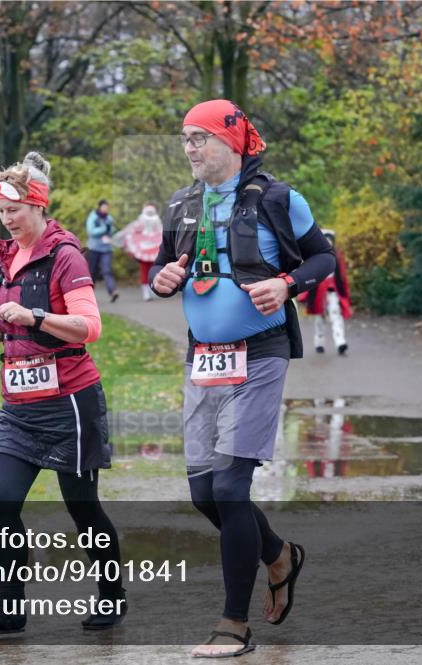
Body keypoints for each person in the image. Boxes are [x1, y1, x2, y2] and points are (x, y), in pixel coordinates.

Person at [149, 99, 336, 657]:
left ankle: (234, 625)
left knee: (231, 487)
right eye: (184, 139)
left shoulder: (279, 198)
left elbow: (323, 258)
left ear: (232, 143)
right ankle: (279, 553)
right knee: (205, 492)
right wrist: (163, 280)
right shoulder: (181, 204)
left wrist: (288, 285)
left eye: (198, 138)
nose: (189, 149)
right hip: (203, 357)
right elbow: (167, 270)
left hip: (261, 353)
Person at [0, 152, 127, 637]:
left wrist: (32, 319)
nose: (7, 220)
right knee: (1, 503)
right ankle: (10, 612)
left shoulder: (65, 256)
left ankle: (112, 596)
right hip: (19, 407)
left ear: (37, 206)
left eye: (14, 210)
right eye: (1, 212)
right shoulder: (6, 256)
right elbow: (7, 312)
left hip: (70, 404)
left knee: (83, 508)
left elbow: (88, 327)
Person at [300, 229, 352, 355]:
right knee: (320, 318)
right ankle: (319, 342)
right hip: (319, 293)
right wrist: (305, 294)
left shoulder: (337, 257)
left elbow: (342, 277)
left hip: (333, 292)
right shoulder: (315, 257)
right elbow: (310, 275)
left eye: (330, 241)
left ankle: (340, 342)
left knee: (336, 316)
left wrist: (345, 293)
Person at [113, 203, 163, 301]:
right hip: (144, 250)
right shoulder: (141, 222)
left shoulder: (155, 222)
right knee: (147, 270)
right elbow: (130, 233)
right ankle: (146, 292)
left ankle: (150, 290)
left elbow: (160, 233)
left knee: (152, 270)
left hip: (152, 250)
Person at [85, 199, 119, 302]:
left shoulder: (109, 218)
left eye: (107, 207)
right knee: (92, 272)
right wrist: (103, 229)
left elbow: (112, 231)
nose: (106, 209)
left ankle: (113, 291)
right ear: (100, 207)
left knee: (107, 270)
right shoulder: (93, 217)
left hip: (106, 248)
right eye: (104, 207)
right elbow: (91, 231)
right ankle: (88, 296)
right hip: (94, 248)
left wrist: (110, 230)